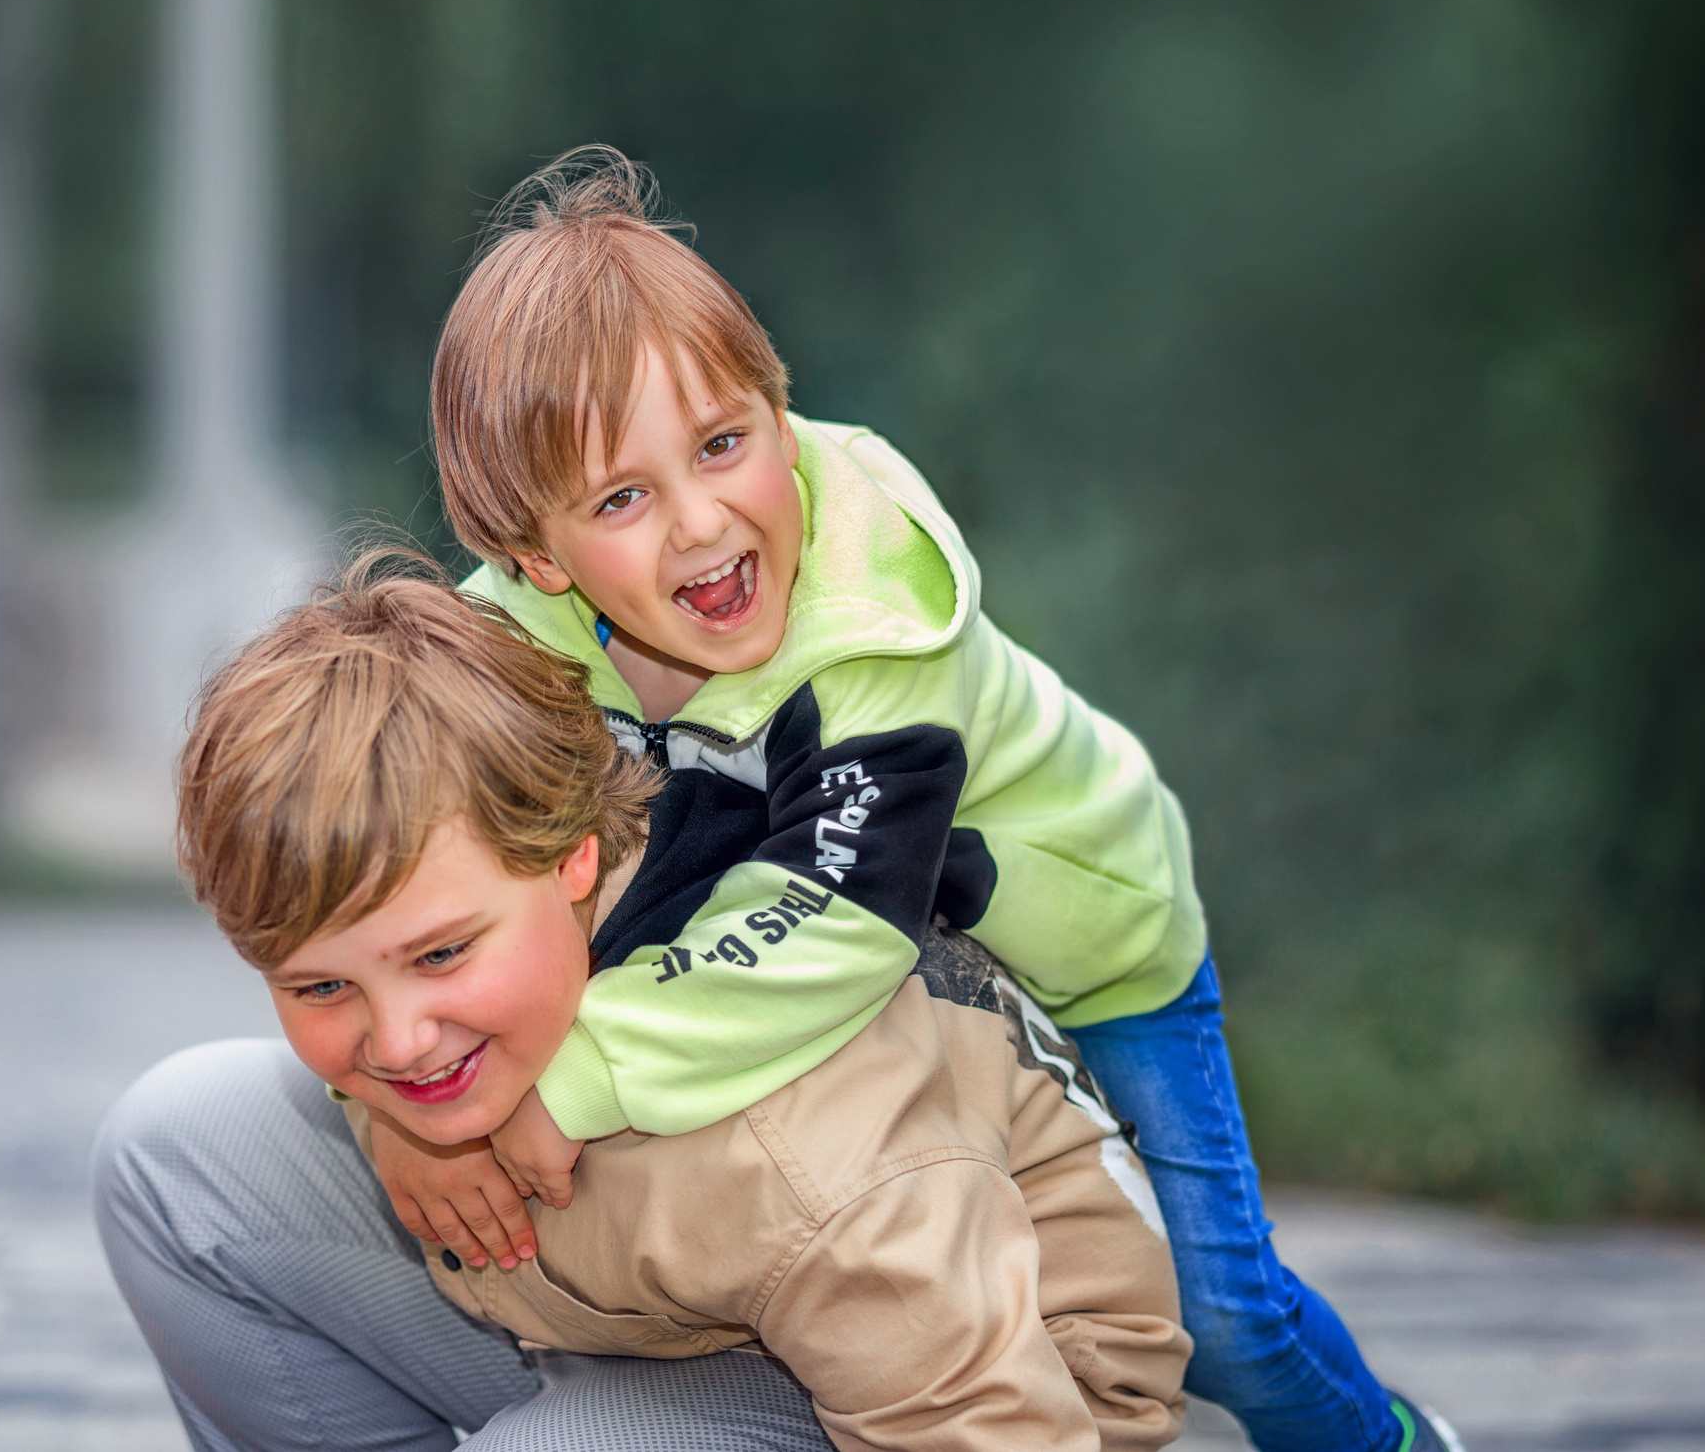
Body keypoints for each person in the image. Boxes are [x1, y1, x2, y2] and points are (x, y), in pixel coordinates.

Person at [389, 146, 1463, 1452]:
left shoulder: (879, 637)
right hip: (911, 974)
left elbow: (827, 926)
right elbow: (385, 885)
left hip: (1082, 941)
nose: (701, 519)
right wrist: (409, 1113)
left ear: (779, 412)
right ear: (533, 549)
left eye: (726, 443)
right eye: (623, 495)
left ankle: (1388, 1439)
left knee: (1219, 1307)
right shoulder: (506, 644)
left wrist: (573, 1075)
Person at [93, 558, 1193, 1452]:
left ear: (574, 861)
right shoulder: (496, 904)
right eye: (322, 985)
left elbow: (995, 1426)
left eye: (440, 956)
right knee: (177, 1144)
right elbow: (392, 1034)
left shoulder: (800, 1152)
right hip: (643, 1313)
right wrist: (398, 1125)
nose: (397, 1037)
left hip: (964, 1392)